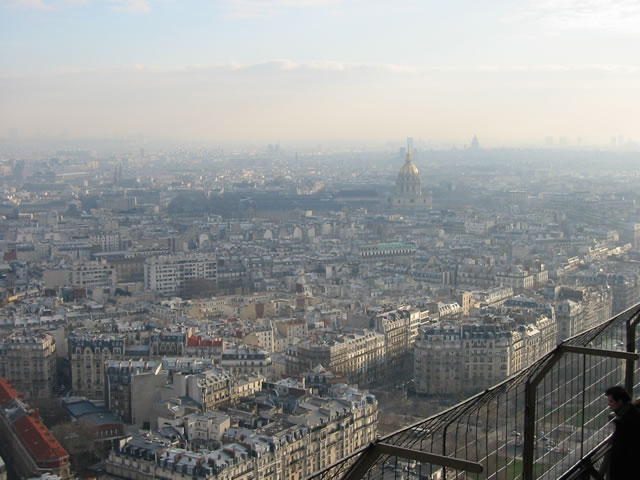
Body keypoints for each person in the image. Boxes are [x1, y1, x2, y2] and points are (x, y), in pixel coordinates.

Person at [605, 385, 640, 479]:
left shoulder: (624, 423)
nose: (609, 404)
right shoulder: (633, 412)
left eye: (611, 401)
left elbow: (620, 453)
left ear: (620, 401)